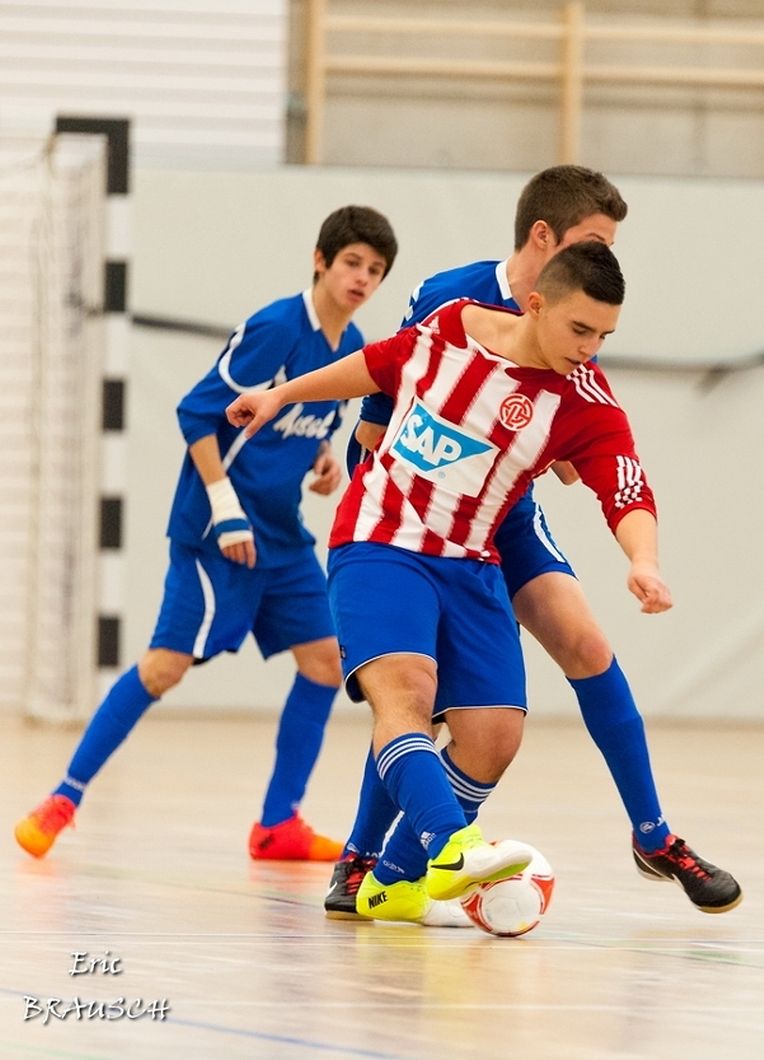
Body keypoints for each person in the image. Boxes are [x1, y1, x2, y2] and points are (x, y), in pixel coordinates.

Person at [228, 242, 741, 921]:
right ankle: (450, 845)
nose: (590, 348)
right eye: (579, 329)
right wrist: (280, 395)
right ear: (536, 304)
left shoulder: (582, 400)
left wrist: (643, 560)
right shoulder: (454, 323)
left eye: (604, 336)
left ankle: (392, 881)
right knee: (407, 693)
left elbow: (626, 487)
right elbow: (376, 364)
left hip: (472, 560)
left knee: (495, 735)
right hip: (381, 541)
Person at [14, 204, 399, 864]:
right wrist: (224, 506)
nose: (362, 278)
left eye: (375, 270)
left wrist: (321, 459)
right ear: (320, 261)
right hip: (216, 533)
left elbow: (300, 426)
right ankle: (62, 799)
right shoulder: (277, 329)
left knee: (325, 661)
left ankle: (278, 823)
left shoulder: (351, 347)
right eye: (352, 263)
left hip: (280, 537)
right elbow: (197, 415)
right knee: (164, 667)